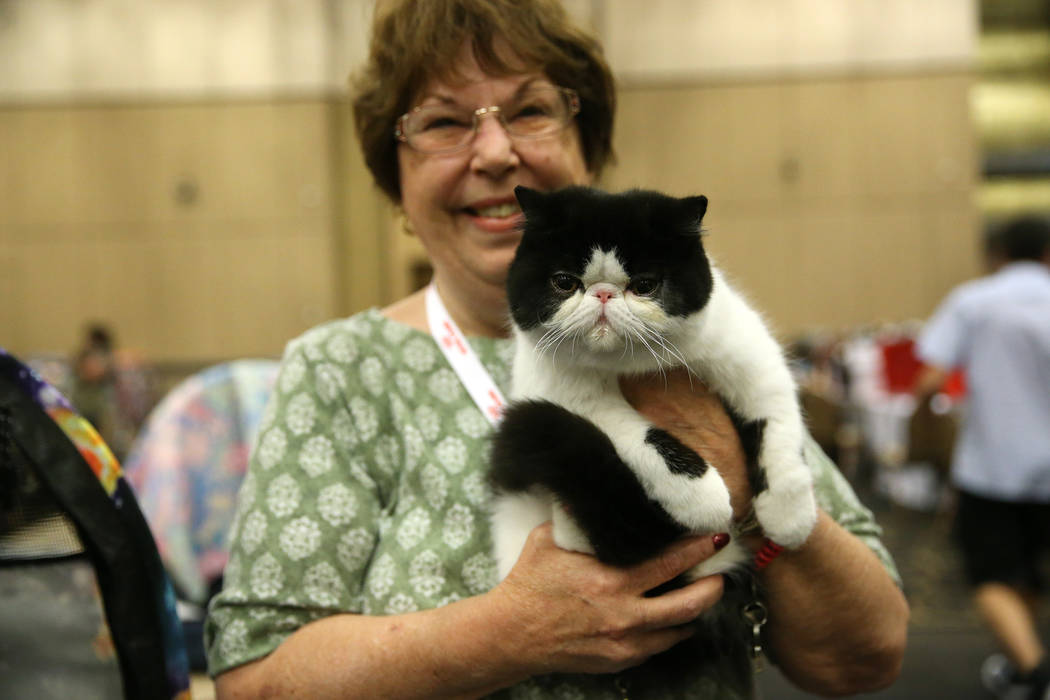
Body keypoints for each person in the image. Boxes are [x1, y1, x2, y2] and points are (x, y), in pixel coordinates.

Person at [205, 1, 908, 697]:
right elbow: (255, 682)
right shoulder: (340, 373)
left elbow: (866, 658)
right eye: (445, 122)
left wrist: (749, 488)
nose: (493, 152)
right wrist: (504, 635)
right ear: (395, 176)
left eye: (530, 111)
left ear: (588, 141)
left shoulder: (693, 339)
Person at [914, 216, 1050, 700]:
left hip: (994, 466)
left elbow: (929, 378)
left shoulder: (974, 301)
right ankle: (1023, 663)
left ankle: (1035, 676)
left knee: (992, 576)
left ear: (995, 254)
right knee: (1029, 573)